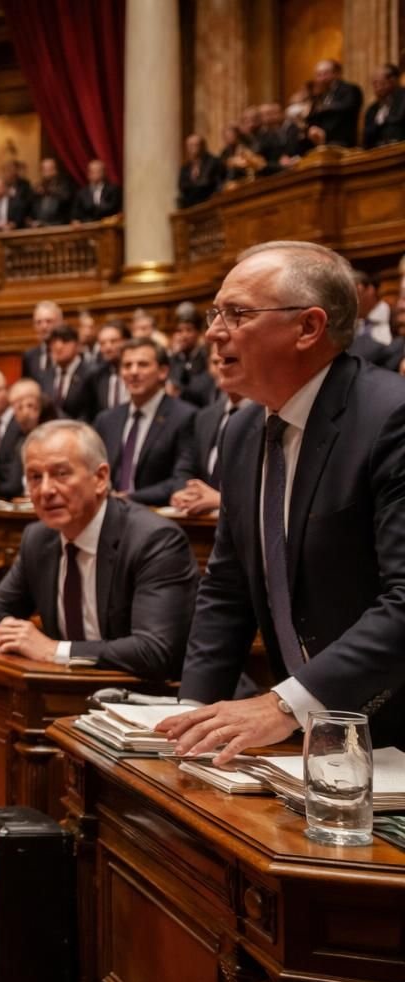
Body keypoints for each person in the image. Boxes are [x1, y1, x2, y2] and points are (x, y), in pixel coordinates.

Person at [159, 240, 405, 763]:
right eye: (214, 312)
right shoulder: (246, 428)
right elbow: (228, 588)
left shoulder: (391, 418)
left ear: (309, 328)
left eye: (237, 313)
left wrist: (282, 706)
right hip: (311, 742)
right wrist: (194, 716)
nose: (213, 331)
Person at [0, 420, 198, 681]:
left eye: (61, 473)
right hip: (75, 696)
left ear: (100, 478)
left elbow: (155, 651)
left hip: (163, 698)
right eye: (35, 477)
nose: (46, 490)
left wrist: (55, 650)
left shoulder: (153, 539)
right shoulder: (38, 539)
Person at [92, 337, 197, 505]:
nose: (133, 372)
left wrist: (128, 498)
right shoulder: (106, 420)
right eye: (127, 366)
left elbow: (181, 479)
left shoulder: (184, 417)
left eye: (143, 365)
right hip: (107, 511)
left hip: (154, 514)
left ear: (163, 371)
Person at [169, 349, 247, 516]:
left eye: (229, 360)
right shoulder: (205, 416)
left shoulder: (266, 414)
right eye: (215, 362)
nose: (221, 367)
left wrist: (221, 500)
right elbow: (185, 467)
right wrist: (184, 492)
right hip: (202, 522)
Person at [305, 59, 365, 148]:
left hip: (342, 143)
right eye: (318, 75)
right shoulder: (319, 96)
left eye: (325, 74)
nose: (321, 78)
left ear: (335, 74)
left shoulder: (349, 89)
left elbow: (349, 107)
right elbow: (311, 118)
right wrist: (312, 129)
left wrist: (323, 108)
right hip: (321, 144)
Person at [45, 324, 96, 421]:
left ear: (78, 346)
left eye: (65, 341)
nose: (58, 346)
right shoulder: (45, 375)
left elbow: (91, 413)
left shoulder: (91, 374)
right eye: (54, 342)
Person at [362, 64, 405, 149]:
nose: (377, 88)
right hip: (378, 153)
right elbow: (366, 139)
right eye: (374, 84)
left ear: (393, 80)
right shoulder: (372, 109)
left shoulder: (403, 98)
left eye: (380, 83)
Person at [178, 133, 226, 207]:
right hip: (191, 207)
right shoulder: (185, 168)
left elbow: (213, 184)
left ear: (203, 146)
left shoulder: (213, 162)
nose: (192, 148)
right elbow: (182, 186)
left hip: (209, 204)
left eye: (196, 145)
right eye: (190, 145)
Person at [22, 300, 63, 381]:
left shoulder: (68, 353)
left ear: (60, 323)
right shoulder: (30, 356)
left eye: (49, 321)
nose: (43, 327)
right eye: (38, 322)